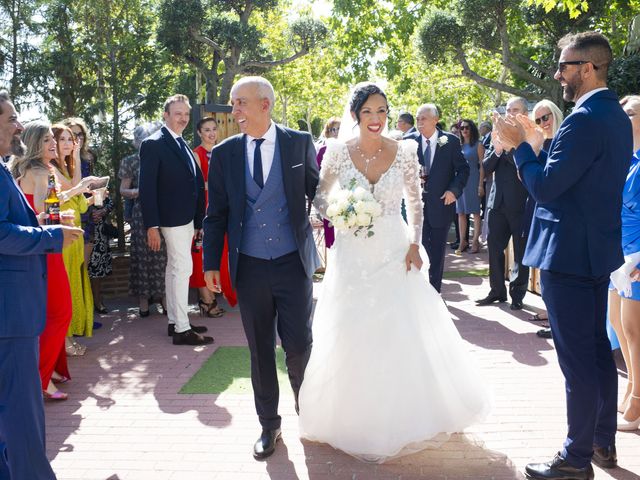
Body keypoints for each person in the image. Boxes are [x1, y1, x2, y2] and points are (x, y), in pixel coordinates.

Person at [298, 83, 490, 462]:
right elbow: (320, 196)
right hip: (352, 253)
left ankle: (405, 413)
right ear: (355, 114)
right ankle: (350, 415)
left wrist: (415, 244)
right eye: (368, 111)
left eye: (382, 111)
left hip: (393, 249)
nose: (376, 118)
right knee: (351, 328)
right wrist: (342, 211)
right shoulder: (338, 151)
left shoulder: (405, 150)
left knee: (399, 328)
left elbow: (415, 204)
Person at [495, 31, 632, 480]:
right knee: (595, 352)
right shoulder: (612, 115)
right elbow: (577, 173)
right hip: (596, 253)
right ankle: (601, 442)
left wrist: (519, 149)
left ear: (587, 68)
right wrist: (539, 141)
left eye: (565, 66)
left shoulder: (583, 118)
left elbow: (547, 188)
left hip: (568, 256)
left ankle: (575, 459)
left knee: (577, 359)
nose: (558, 74)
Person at [203, 76, 319, 460]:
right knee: (260, 350)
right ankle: (269, 424)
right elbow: (215, 214)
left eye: (240, 104)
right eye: (234, 104)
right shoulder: (224, 154)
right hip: (249, 266)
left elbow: (319, 192)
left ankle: (310, 411)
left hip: (292, 262)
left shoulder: (299, 142)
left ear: (264, 105)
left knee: (300, 345)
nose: (233, 111)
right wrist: (209, 265)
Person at [0, 90, 84, 480]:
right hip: (11, 315)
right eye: (11, 118)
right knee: (21, 413)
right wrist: (51, 238)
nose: (18, 125)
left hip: (14, 311)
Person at [11, 121, 83, 401]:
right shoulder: (39, 171)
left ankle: (47, 368)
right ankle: (40, 377)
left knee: (49, 313)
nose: (53, 143)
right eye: (45, 140)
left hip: (39, 247)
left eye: (52, 138)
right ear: (33, 144)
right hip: (45, 247)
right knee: (59, 311)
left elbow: (43, 206)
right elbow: (42, 212)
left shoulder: (37, 170)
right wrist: (62, 217)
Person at [139, 94, 210, 345]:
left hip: (187, 219)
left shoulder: (183, 144)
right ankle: (182, 328)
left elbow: (194, 184)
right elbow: (147, 188)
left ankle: (174, 322)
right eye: (177, 113)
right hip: (171, 219)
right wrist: (152, 225)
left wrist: (199, 221)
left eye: (186, 114)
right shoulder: (153, 144)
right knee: (183, 270)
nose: (183, 118)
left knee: (175, 269)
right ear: (165, 115)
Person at [406, 104, 469, 292]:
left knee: (437, 252)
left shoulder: (449, 141)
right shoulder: (408, 141)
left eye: (423, 118)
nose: (419, 122)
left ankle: (434, 293)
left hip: (442, 204)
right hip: (415, 207)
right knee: (417, 249)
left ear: (435, 119)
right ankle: (418, 293)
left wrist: (453, 191)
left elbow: (463, 170)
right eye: (417, 119)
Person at [476, 97, 530, 311]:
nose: (510, 113)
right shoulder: (496, 134)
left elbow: (524, 164)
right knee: (494, 249)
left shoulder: (529, 134)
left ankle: (518, 294)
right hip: (497, 202)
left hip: (520, 202)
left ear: (524, 113)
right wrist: (497, 150)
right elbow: (487, 166)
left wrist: (507, 150)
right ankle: (497, 290)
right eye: (508, 109)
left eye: (515, 109)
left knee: (520, 251)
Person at [608, 94, 640, 431]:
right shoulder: (624, 159)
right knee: (617, 324)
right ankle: (633, 386)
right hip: (616, 255)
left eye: (629, 113)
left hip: (636, 255)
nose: (623, 118)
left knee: (633, 329)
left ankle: (639, 401)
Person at [51, 123, 95, 352]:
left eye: (72, 139)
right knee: (65, 288)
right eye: (64, 140)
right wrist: (81, 186)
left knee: (75, 286)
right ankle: (64, 341)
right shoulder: (50, 169)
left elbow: (80, 202)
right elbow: (71, 189)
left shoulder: (67, 167)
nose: (69, 143)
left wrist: (76, 159)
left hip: (76, 234)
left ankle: (70, 338)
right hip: (62, 234)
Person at [523, 100, 564, 336]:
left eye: (545, 117)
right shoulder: (536, 143)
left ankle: (556, 321)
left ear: (555, 114)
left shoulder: (564, 139)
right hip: (538, 208)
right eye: (537, 120)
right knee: (544, 271)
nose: (542, 123)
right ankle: (551, 315)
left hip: (558, 215)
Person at [119, 123, 167, 317]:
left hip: (164, 212)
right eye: (141, 139)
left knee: (163, 257)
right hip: (141, 214)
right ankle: (143, 302)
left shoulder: (164, 158)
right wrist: (140, 191)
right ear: (136, 142)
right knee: (142, 256)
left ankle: (165, 299)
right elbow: (123, 190)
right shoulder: (130, 161)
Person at [191, 116, 236, 315]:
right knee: (201, 254)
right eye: (206, 129)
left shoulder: (223, 152)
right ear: (200, 133)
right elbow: (197, 187)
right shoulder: (196, 154)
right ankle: (206, 301)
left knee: (224, 250)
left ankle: (225, 292)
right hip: (205, 208)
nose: (211, 133)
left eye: (214, 129)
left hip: (223, 206)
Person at [455, 119, 485, 254]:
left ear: (472, 128)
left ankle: (475, 241)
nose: (464, 130)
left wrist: (480, 185)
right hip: (460, 181)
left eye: (467, 127)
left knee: (475, 212)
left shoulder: (478, 145)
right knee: (460, 212)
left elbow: (482, 166)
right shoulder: (458, 145)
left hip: (473, 180)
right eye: (461, 128)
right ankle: (463, 241)